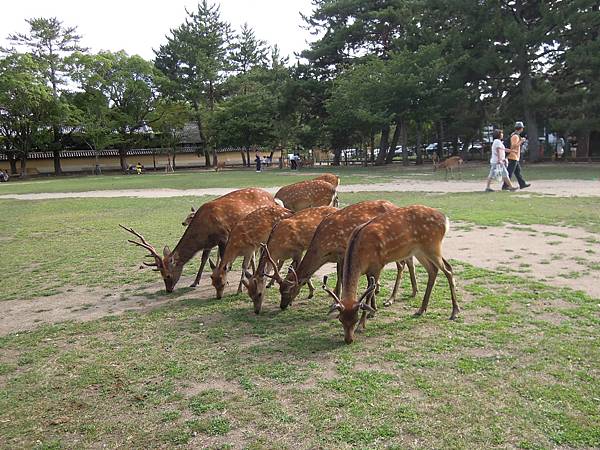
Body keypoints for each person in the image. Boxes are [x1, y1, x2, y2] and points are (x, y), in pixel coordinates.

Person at [502, 121, 531, 190]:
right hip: (512, 156)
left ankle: (522, 184)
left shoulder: (514, 135)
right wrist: (521, 141)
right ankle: (505, 186)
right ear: (520, 128)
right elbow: (513, 146)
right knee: (510, 172)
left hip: (515, 156)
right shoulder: (515, 136)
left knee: (517, 171)